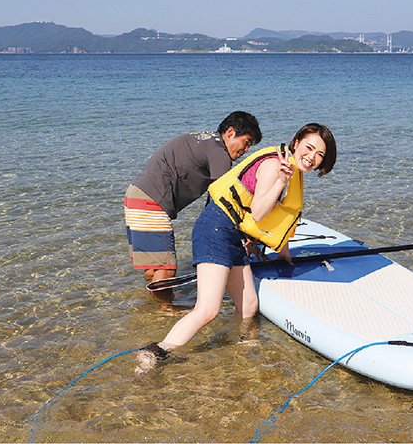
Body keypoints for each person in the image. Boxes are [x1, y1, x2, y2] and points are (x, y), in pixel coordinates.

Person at [136, 123, 337, 373]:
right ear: (296, 143)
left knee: (248, 306)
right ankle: (155, 352)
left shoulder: (289, 166)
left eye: (320, 155)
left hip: (232, 234)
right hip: (216, 229)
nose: (313, 158)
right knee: (208, 309)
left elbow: (274, 216)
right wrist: (279, 183)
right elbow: (260, 212)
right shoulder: (277, 166)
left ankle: (241, 355)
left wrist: (283, 252)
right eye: (310, 148)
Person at [124, 111, 262, 285]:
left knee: (153, 267)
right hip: (152, 200)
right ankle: (166, 310)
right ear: (231, 132)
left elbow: (213, 201)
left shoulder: (207, 141)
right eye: (246, 142)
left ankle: (152, 309)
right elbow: (226, 201)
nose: (246, 150)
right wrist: (248, 238)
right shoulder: (219, 152)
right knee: (166, 268)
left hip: (135, 195)